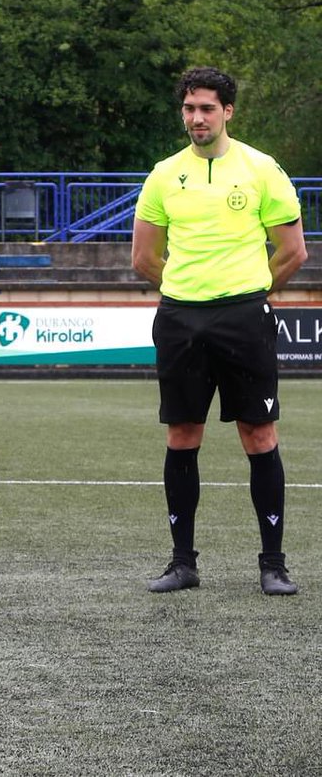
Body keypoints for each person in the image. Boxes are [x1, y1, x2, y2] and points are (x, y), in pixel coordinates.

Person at [132, 66, 308, 595]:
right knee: (183, 435)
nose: (197, 117)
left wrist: (248, 291)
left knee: (259, 435)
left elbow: (294, 250)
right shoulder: (164, 174)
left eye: (207, 108)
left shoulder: (262, 169)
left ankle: (272, 565)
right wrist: (190, 294)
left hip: (244, 318)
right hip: (180, 319)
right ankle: (183, 563)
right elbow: (143, 257)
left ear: (228, 111)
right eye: (189, 108)